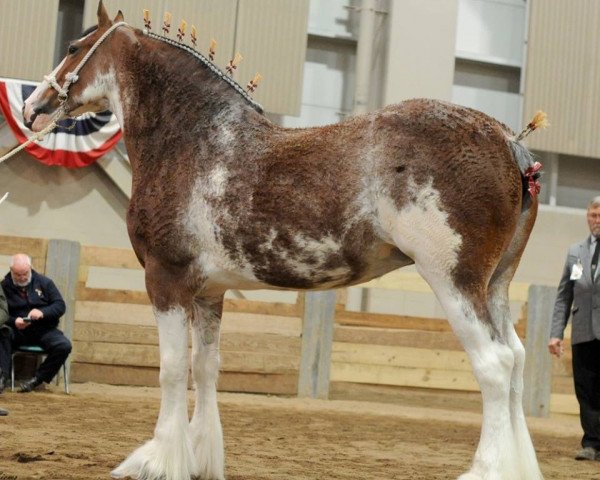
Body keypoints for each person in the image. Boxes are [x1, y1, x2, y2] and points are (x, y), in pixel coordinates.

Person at [549, 195, 600, 461]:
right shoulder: (575, 252)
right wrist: (556, 333)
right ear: (587, 216)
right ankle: (591, 444)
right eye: (593, 215)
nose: (597, 220)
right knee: (586, 390)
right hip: (582, 332)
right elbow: (563, 296)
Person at [0, 253, 71, 393]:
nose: (22, 278)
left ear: (30, 268)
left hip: (44, 329)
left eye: (25, 273)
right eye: (18, 275)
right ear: (11, 270)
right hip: (17, 331)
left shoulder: (45, 283)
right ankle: (2, 379)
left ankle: (38, 379)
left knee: (64, 345)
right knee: (2, 332)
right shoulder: (4, 286)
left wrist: (43, 312)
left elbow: (60, 305)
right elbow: (1, 312)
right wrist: (15, 321)